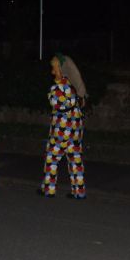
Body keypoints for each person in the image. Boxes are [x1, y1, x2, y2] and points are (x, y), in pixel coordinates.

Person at [39, 53, 87, 199]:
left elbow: (56, 104)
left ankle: (49, 189)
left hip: (61, 130)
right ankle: (79, 191)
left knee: (52, 158)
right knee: (75, 159)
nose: (52, 72)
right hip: (75, 129)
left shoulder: (57, 88)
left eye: (54, 68)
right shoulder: (73, 88)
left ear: (60, 69)